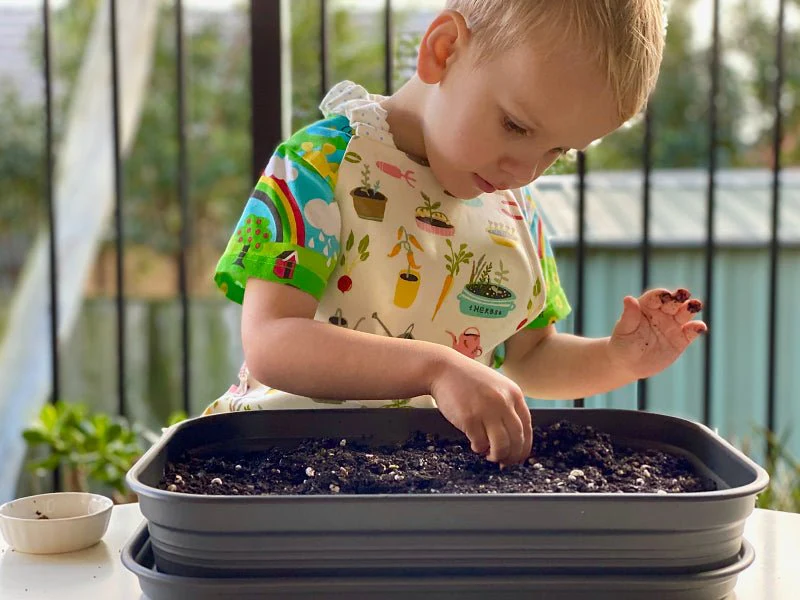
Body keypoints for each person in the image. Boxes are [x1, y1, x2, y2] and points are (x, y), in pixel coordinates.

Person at [204, 0, 705, 466]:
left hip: (432, 482)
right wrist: (435, 368)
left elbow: (530, 358)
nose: (527, 169)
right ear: (443, 51)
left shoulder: (515, 213)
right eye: (515, 125)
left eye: (559, 151)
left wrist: (618, 359)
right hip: (278, 467)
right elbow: (271, 342)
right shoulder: (319, 167)